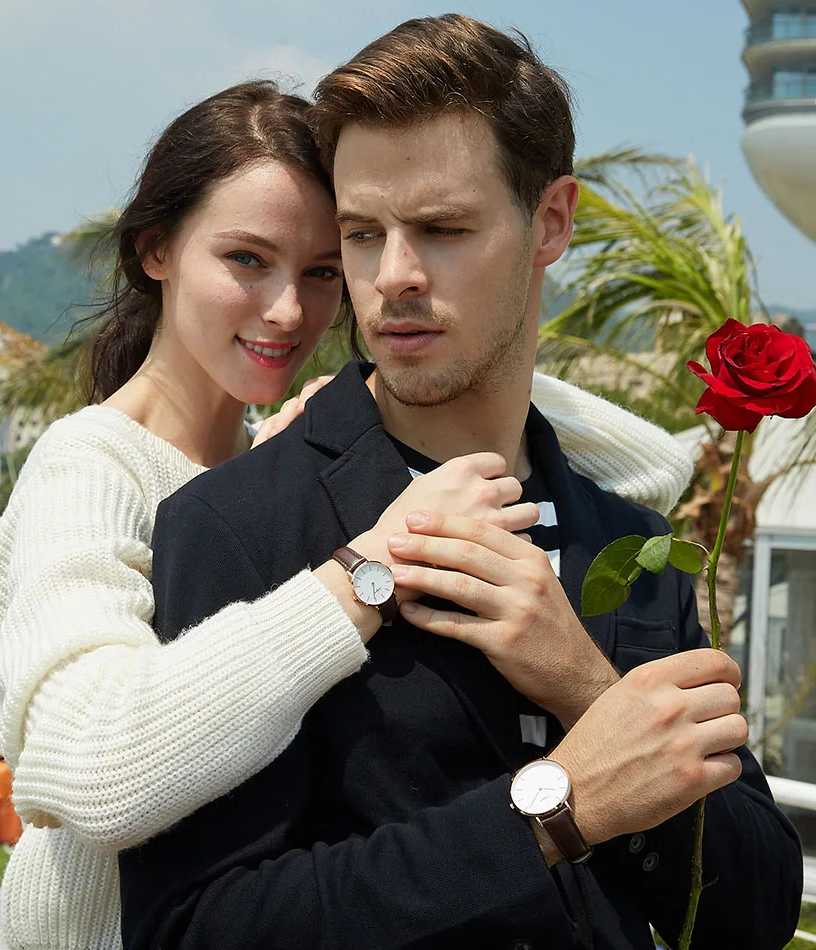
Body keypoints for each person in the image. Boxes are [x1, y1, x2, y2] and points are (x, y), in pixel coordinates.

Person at [122, 16, 802, 950]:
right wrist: (557, 809)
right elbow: (193, 928)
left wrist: (584, 685)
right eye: (363, 234)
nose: (393, 277)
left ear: (551, 221)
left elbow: (757, 913)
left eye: (442, 229)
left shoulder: (633, 541)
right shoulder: (237, 523)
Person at [0, 79, 692, 950]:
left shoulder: (269, 451)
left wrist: (370, 403)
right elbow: (90, 767)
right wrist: (368, 568)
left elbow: (655, 465)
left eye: (322, 271)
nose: (288, 310)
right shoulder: (89, 466)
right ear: (156, 249)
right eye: (247, 259)